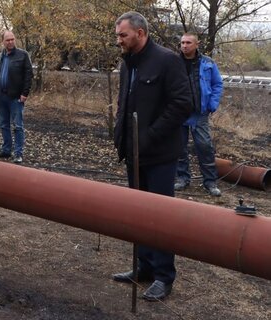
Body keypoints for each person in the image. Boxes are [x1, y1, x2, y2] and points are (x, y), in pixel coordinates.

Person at [112, 12, 191, 301]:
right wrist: (121, 137)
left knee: (159, 216)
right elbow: (124, 102)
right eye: (118, 35)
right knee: (138, 214)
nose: (118, 40)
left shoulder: (167, 61)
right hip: (133, 154)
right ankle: (143, 267)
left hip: (159, 155)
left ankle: (163, 276)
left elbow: (183, 104)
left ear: (141, 33)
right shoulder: (127, 63)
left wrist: (149, 136)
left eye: (123, 35)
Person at [174, 32, 224, 197]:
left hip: (199, 113)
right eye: (182, 43)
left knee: (204, 147)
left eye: (188, 42)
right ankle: (182, 178)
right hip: (178, 113)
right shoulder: (173, 62)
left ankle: (210, 182)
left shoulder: (208, 63)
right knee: (179, 147)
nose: (184, 46)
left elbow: (217, 84)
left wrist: (213, 104)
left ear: (197, 44)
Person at [0, 30, 33, 164]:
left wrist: (24, 93)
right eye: (7, 40)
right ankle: (6, 150)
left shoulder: (23, 55)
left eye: (12, 39)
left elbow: (28, 75)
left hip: (15, 97)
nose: (10, 42)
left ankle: (18, 153)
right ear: (2, 42)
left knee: (18, 126)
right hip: (1, 96)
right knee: (3, 125)